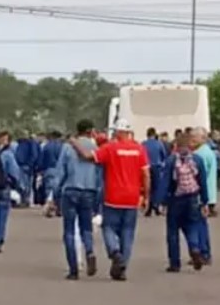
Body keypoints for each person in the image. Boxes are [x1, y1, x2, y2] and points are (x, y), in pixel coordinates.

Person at [93, 120, 151, 280]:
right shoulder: (139, 149)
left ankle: (114, 252)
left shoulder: (110, 148)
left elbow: (93, 158)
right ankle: (123, 266)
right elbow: (146, 175)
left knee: (109, 228)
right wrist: (146, 196)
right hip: (132, 197)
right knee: (128, 232)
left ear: (118, 132)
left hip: (113, 196)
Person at [57, 120, 102, 280]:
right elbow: (99, 174)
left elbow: (61, 172)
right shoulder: (95, 148)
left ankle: (73, 269)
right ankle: (89, 250)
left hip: (70, 190)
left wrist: (54, 194)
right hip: (89, 190)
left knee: (69, 231)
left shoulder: (68, 147)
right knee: (86, 228)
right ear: (90, 131)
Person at [163, 135, 207, 274]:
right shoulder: (197, 160)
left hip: (176, 199)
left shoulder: (171, 160)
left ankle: (175, 263)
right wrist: (205, 200)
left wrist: (162, 201)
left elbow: (165, 182)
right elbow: (202, 181)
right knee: (192, 226)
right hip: (193, 197)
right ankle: (195, 248)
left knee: (172, 231)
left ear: (176, 145)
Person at [191, 128, 219, 265]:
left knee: (198, 225)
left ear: (203, 138)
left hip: (201, 194)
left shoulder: (199, 154)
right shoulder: (208, 152)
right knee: (201, 224)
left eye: (194, 138)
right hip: (208, 193)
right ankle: (204, 252)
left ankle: (203, 252)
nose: (192, 140)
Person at [141, 128, 168, 217]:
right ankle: (156, 205)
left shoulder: (144, 144)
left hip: (146, 167)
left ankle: (148, 207)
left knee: (147, 187)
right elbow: (164, 155)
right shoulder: (159, 144)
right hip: (157, 166)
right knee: (156, 187)